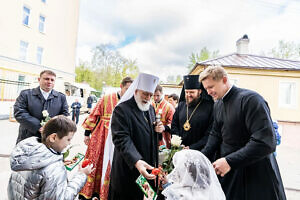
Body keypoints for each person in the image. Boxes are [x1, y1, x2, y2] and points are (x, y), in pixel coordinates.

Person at [200, 65, 286, 200]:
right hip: (231, 172)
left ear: (224, 79)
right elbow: (215, 134)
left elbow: (265, 142)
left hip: (256, 175)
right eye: (206, 89)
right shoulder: (218, 104)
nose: (208, 92)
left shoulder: (251, 100)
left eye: (211, 87)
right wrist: (200, 158)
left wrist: (229, 161)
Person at [7, 115, 94, 199]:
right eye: (68, 139)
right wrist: (81, 175)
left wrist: (57, 163)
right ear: (53, 137)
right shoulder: (54, 170)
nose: (69, 143)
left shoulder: (28, 154)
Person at [108, 73, 164, 200]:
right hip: (128, 166)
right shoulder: (122, 109)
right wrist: (137, 161)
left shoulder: (150, 109)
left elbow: (149, 134)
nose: (148, 98)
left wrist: (157, 131)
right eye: (145, 94)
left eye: (151, 95)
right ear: (136, 90)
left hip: (146, 166)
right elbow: (121, 139)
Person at [79, 77, 133, 200]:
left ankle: (107, 193)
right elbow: (94, 115)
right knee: (96, 161)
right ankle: (91, 192)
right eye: (127, 89)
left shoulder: (131, 101)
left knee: (113, 165)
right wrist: (87, 133)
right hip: (101, 136)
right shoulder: (107, 98)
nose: (129, 92)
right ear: (121, 86)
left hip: (119, 139)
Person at [14, 70, 69, 143]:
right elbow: (19, 113)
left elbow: (65, 115)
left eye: (52, 80)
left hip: (50, 138)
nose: (49, 82)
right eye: (46, 79)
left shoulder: (61, 97)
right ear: (39, 80)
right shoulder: (26, 94)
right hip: (28, 137)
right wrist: (39, 127)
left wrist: (52, 126)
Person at [170, 75, 214, 150]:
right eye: (186, 92)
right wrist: (178, 143)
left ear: (199, 91)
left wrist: (192, 147)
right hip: (181, 149)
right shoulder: (181, 105)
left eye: (192, 92)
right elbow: (174, 125)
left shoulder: (210, 107)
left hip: (201, 150)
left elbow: (210, 132)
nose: (188, 95)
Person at [161, 149, 225, 200]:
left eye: (180, 171)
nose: (176, 172)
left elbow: (175, 197)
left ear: (188, 175)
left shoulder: (192, 196)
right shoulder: (205, 188)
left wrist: (167, 187)